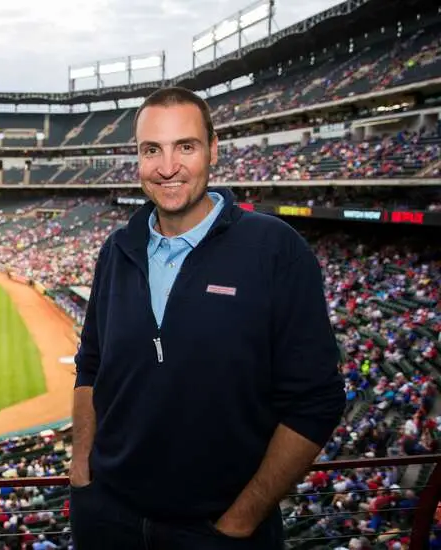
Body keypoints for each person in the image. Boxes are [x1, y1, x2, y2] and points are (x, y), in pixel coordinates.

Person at [69, 86, 345, 549]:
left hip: (219, 530)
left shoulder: (277, 249)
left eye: (186, 146)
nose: (168, 166)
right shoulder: (116, 250)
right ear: (136, 157)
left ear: (213, 150)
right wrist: (82, 470)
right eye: (151, 149)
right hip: (107, 519)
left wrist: (239, 522)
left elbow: (317, 402)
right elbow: (91, 364)